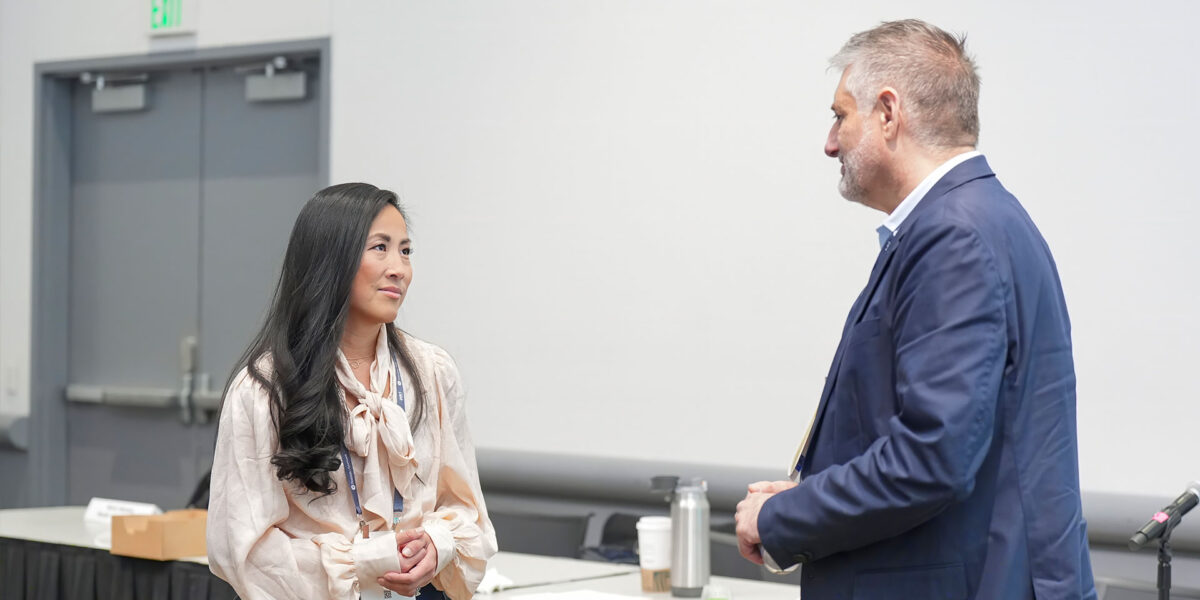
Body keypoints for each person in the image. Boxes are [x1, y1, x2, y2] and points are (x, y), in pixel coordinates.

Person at [733, 20, 1096, 599]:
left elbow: (932, 458)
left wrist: (783, 518)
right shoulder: (980, 221)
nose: (830, 142)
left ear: (887, 112)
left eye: (839, 115)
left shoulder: (953, 237)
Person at [207, 183, 496, 599]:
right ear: (332, 258)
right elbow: (240, 549)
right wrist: (364, 562)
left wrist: (438, 543)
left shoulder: (431, 372)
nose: (399, 268)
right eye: (380, 248)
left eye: (406, 251)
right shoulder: (264, 388)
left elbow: (466, 509)